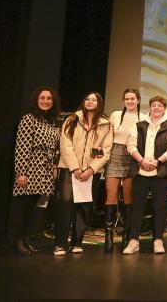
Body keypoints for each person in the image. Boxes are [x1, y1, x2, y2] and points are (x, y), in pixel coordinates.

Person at [54, 92, 113, 255]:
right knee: (65, 205)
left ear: (99, 103)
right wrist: (75, 168)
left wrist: (90, 169)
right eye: (87, 99)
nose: (90, 101)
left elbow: (106, 152)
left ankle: (77, 242)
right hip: (68, 169)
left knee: (85, 206)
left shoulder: (106, 124)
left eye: (94, 99)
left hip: (91, 171)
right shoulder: (72, 119)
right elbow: (65, 145)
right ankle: (60, 243)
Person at [9, 87, 60, 254]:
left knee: (31, 209)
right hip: (30, 169)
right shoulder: (28, 119)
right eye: (42, 98)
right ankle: (17, 241)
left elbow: (55, 149)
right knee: (21, 208)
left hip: (44, 171)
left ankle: (25, 239)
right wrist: (21, 173)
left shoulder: (51, 122)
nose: (45, 101)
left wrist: (53, 169)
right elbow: (22, 147)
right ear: (36, 100)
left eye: (49, 98)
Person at [123, 96, 167, 254]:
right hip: (140, 171)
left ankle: (158, 240)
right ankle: (133, 241)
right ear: (150, 108)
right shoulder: (139, 125)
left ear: (164, 108)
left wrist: (158, 161)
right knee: (137, 207)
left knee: (159, 207)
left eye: (160, 106)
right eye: (154, 105)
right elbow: (130, 145)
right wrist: (141, 161)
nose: (157, 108)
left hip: (161, 172)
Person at [105, 88, 147, 252]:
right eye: (127, 99)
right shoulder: (115, 115)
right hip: (115, 153)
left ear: (138, 100)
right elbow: (107, 136)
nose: (130, 101)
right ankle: (109, 237)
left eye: (133, 98)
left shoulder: (143, 117)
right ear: (124, 101)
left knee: (129, 198)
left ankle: (127, 236)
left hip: (133, 156)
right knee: (111, 197)